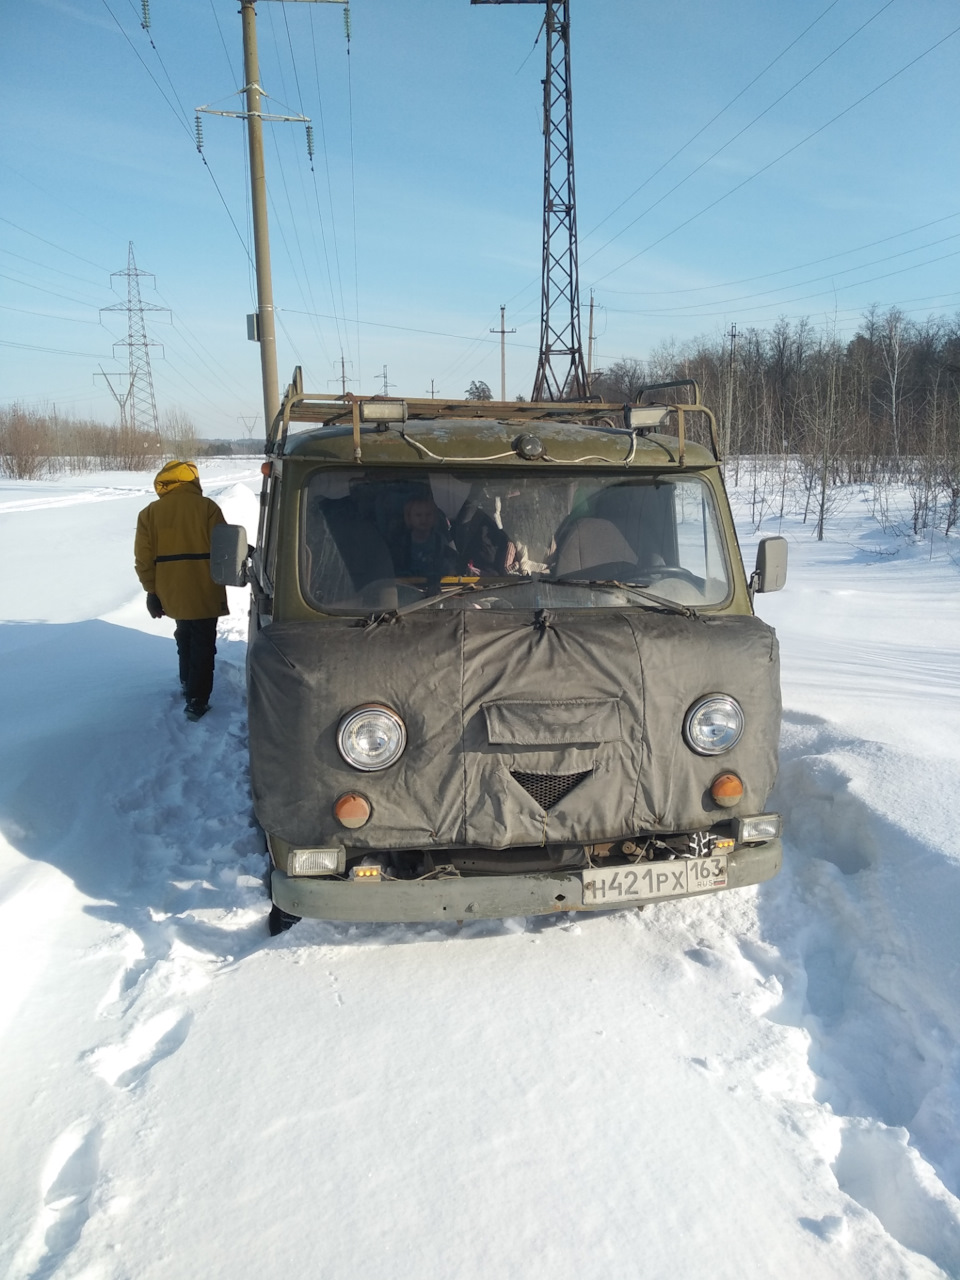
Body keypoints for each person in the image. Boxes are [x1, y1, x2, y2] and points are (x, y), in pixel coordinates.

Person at [135, 460, 228, 721]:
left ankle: (188, 683)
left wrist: (151, 591)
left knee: (184, 633)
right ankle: (197, 700)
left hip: (170, 588)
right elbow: (224, 547)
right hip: (205, 585)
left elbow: (143, 558)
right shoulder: (208, 508)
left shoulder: (149, 513)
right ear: (193, 480)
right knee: (203, 640)